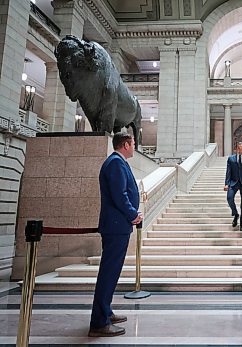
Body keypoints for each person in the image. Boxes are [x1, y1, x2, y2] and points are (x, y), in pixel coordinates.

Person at [89, 132, 143, 337]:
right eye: (134, 143)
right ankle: (99, 322)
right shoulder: (115, 163)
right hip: (116, 225)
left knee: (111, 273)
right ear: (126, 145)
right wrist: (132, 214)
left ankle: (106, 311)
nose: (135, 147)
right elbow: (119, 194)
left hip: (118, 225)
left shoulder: (117, 162)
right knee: (108, 273)